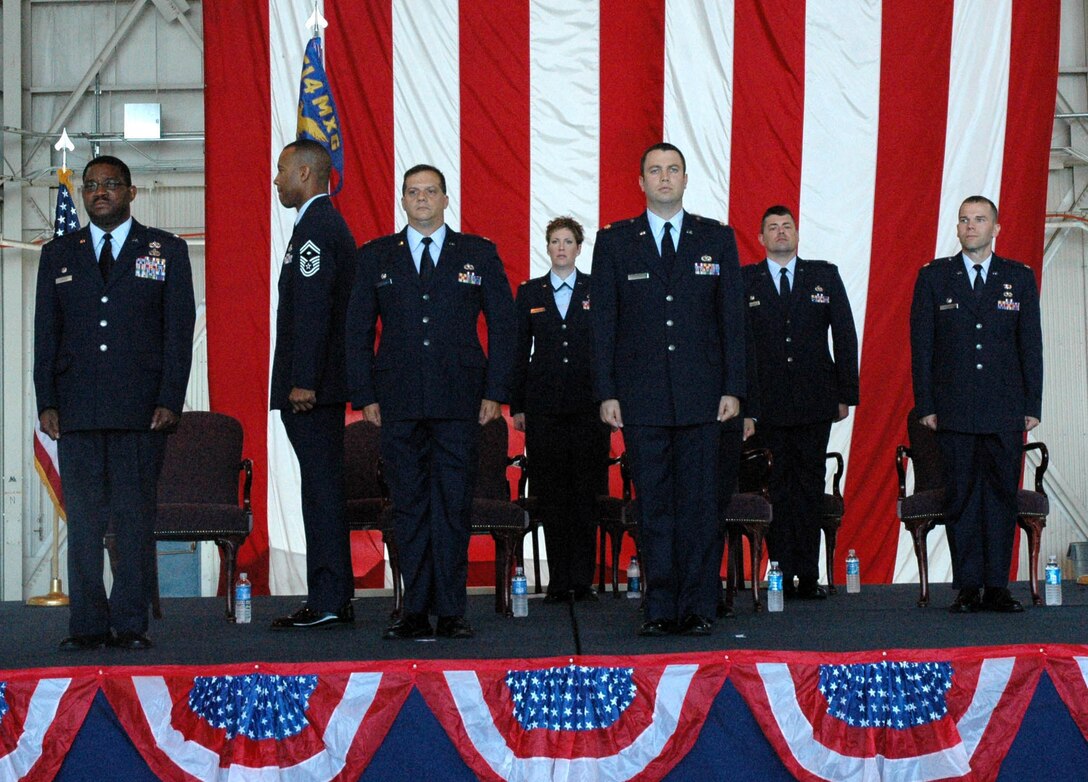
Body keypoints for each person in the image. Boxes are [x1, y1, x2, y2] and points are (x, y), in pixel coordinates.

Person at [34, 155, 195, 650]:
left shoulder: (165, 250)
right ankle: (85, 625)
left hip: (141, 410)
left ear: (131, 192)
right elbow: (46, 333)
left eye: (110, 184)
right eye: (90, 186)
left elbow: (178, 332)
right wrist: (47, 400)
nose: (99, 192)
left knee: (132, 520)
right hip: (77, 409)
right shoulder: (59, 253)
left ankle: (129, 624)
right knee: (83, 523)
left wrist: (171, 397)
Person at [348, 164, 516, 639]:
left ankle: (453, 609)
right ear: (402, 201)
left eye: (430, 191)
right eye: (413, 192)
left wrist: (495, 392)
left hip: (461, 401)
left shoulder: (477, 254)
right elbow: (357, 330)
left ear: (446, 200)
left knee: (453, 505)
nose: (422, 199)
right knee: (409, 506)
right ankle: (415, 609)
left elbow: (504, 326)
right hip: (397, 401)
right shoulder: (377, 255)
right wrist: (364, 394)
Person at [592, 142, 745, 637]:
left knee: (701, 505)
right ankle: (659, 606)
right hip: (642, 398)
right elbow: (604, 325)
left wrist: (734, 387)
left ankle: (700, 604)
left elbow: (733, 321)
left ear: (685, 179)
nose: (664, 178)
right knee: (654, 505)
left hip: (705, 398)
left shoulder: (716, 239)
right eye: (654, 170)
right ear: (640, 182)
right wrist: (606, 391)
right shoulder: (615, 242)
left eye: (672, 169)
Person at [910, 195, 1042, 614]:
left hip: (1005, 408)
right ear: (957, 228)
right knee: (962, 497)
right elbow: (922, 348)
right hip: (955, 408)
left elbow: (1030, 345)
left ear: (996, 229)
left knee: (1002, 497)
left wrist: (1032, 403)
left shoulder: (1017, 277)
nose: (970, 226)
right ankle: (968, 586)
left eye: (979, 220)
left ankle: (997, 587)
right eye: (964, 220)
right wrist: (927, 403)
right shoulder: (934, 277)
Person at [742, 205, 859, 599]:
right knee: (775, 487)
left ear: (797, 234)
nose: (780, 233)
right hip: (766, 403)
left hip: (815, 400)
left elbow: (844, 334)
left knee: (809, 485)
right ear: (760, 238)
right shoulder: (747, 281)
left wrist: (846, 393)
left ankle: (808, 576)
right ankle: (780, 572)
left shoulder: (823, 275)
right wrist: (745, 405)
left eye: (786, 227)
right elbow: (738, 347)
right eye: (772, 227)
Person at [269, 139, 356, 629]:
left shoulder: (317, 230)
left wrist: (303, 381)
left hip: (312, 390)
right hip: (314, 387)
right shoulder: (313, 225)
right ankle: (331, 593)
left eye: (282, 170)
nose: (276, 179)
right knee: (318, 489)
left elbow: (316, 308)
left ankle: (327, 598)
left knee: (321, 491)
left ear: (305, 173)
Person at [511, 217, 610, 604]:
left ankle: (582, 581)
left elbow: (608, 348)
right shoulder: (530, 293)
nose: (562, 247)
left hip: (589, 408)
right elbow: (519, 354)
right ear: (547, 247)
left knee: (586, 495)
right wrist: (518, 405)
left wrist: (608, 398)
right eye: (555, 241)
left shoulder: (596, 290)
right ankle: (558, 581)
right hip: (545, 409)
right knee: (552, 495)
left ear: (579, 247)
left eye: (569, 241)